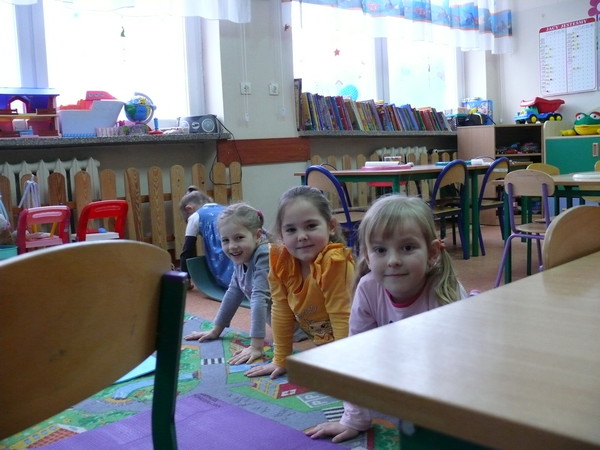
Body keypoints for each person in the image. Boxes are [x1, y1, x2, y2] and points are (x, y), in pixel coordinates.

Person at [306, 194, 468, 443]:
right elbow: (357, 356)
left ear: (433, 252)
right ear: (367, 256)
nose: (393, 261)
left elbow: (464, 370)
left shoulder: (445, 293)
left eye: (407, 248)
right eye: (380, 250)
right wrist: (354, 419)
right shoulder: (368, 289)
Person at [245, 185, 355, 379]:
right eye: (291, 229)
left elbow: (342, 316)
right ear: (281, 234)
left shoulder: (334, 262)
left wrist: (344, 365)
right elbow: (281, 311)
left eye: (311, 226)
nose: (302, 236)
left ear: (331, 226)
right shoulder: (281, 261)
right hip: (329, 348)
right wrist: (280, 359)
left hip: (359, 347)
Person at [184, 202, 271, 364]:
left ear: (257, 235)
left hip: (302, 328)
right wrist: (216, 330)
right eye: (225, 240)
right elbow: (233, 291)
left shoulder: (264, 254)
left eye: (239, 238)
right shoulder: (242, 256)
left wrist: (256, 346)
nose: (232, 246)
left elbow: (259, 298)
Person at [179, 186, 233, 289]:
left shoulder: (195, 216)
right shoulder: (224, 208)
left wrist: (185, 279)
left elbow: (188, 250)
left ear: (189, 208)